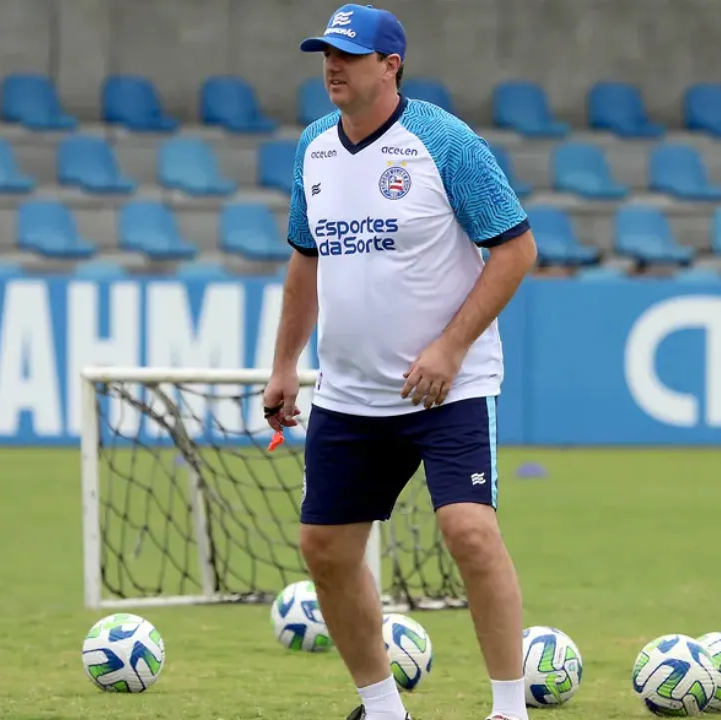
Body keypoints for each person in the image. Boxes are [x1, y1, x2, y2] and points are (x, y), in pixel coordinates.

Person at [262, 4, 539, 720]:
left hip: (445, 387)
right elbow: (303, 261)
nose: (332, 66)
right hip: (351, 393)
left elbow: (516, 250)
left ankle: (510, 710)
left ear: (391, 66)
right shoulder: (314, 148)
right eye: (326, 53)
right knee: (323, 548)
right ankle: (383, 709)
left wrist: (449, 348)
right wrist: (284, 364)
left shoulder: (446, 143)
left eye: (349, 55)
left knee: (469, 532)